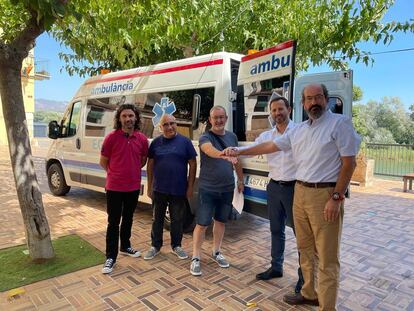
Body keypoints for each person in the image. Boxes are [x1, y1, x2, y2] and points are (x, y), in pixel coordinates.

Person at [222, 84, 361, 310]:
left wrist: (336, 197)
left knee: (326, 256)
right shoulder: (299, 130)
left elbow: (349, 163)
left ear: (326, 99)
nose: (314, 102)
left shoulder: (339, 124)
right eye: (309, 99)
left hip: (324, 193)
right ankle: (309, 293)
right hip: (300, 192)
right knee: (305, 249)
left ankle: (327, 306)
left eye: (318, 97)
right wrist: (239, 151)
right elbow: (269, 146)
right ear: (303, 104)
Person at [244, 94, 303, 293]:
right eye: (274, 110)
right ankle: (276, 267)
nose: (277, 113)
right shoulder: (267, 136)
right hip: (274, 187)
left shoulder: (300, 131)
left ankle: (305, 277)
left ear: (289, 110)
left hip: (296, 188)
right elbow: (252, 148)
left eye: (281, 109)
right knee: (276, 230)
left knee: (301, 234)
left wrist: (236, 151)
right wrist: (232, 150)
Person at [190, 105, 244, 276]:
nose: (219, 120)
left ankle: (216, 251)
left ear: (226, 118)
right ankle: (196, 257)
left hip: (227, 187)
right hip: (208, 187)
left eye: (222, 117)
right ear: (210, 120)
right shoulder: (205, 136)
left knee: (221, 221)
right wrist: (223, 154)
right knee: (202, 223)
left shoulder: (232, 136)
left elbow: (237, 160)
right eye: (216, 118)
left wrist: (241, 179)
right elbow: (208, 150)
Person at [100, 103, 148, 274]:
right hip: (114, 187)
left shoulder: (142, 139)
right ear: (119, 119)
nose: (128, 119)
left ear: (136, 118)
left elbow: (142, 160)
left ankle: (125, 246)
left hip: (133, 187)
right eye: (124, 116)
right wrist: (115, 174)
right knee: (113, 222)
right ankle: (110, 257)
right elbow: (103, 161)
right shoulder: (111, 138)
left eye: (131, 116)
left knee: (128, 218)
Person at [144, 114, 197, 260]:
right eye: (165, 124)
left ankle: (176, 246)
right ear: (161, 128)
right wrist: (149, 187)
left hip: (179, 189)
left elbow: (193, 163)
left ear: (176, 124)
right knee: (157, 219)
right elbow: (150, 164)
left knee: (177, 219)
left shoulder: (185, 142)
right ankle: (155, 246)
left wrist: (190, 186)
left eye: (172, 123)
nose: (169, 127)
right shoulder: (155, 143)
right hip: (159, 188)